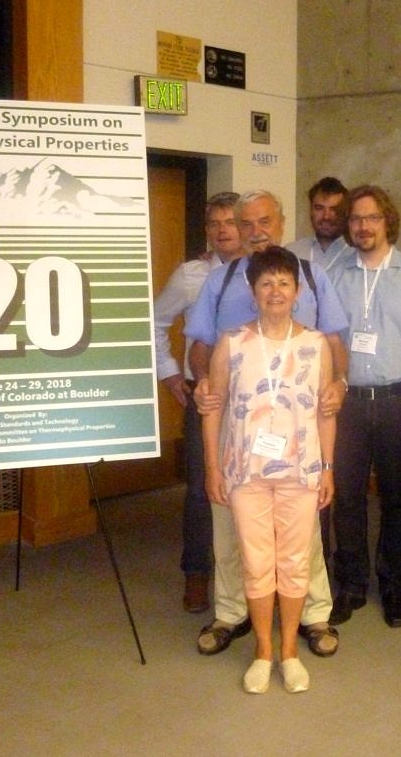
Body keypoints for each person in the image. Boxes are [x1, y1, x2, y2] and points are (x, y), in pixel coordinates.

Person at [186, 190, 349, 659]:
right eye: (246, 222)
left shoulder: (310, 277)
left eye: (264, 220)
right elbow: (200, 343)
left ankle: (315, 616)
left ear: (280, 222)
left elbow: (334, 342)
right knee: (231, 530)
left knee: (304, 533)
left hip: (296, 434)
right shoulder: (221, 280)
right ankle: (231, 613)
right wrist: (202, 382)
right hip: (237, 436)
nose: (256, 230)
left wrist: (339, 382)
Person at [202, 246, 337, 694]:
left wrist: (329, 469)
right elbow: (213, 409)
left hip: (301, 472)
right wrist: (212, 468)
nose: (275, 291)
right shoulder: (233, 343)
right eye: (266, 283)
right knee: (257, 563)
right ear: (252, 290)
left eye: (284, 282)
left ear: (297, 290)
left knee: (295, 562)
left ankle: (290, 654)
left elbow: (326, 413)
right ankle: (263, 652)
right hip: (245, 473)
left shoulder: (316, 346)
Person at [327, 184, 401, 628]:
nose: (363, 226)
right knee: (348, 499)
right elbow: (327, 341)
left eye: (371, 218)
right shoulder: (336, 274)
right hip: (348, 404)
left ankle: (392, 585)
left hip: (399, 402)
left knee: (399, 500)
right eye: (355, 219)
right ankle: (351, 584)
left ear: (387, 221)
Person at [152, 192, 242, 613]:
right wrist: (169, 371)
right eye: (214, 224)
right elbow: (156, 322)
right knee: (202, 491)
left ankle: (244, 577)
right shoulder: (191, 275)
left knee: (250, 488)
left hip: (255, 400)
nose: (222, 230)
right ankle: (196, 575)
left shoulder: (262, 270)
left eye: (230, 221)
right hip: (203, 395)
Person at [286, 176, 350, 270]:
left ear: (346, 212)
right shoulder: (291, 253)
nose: (326, 216)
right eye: (319, 208)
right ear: (310, 210)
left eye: (334, 209)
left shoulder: (356, 253)